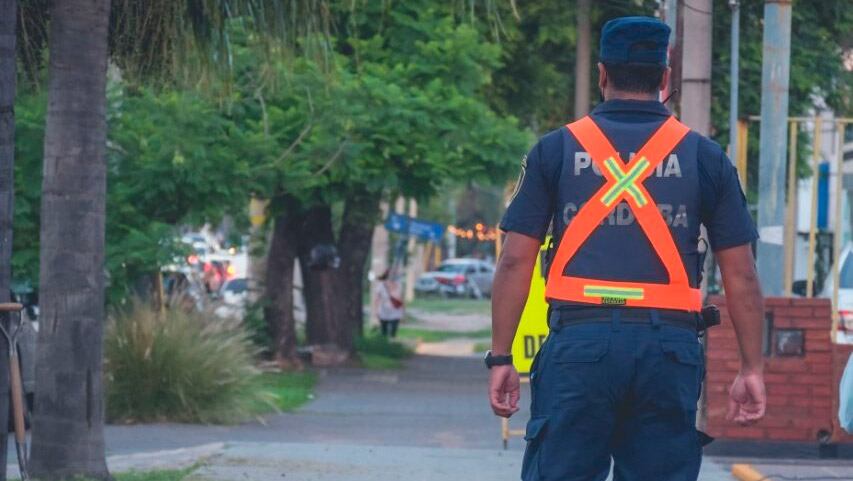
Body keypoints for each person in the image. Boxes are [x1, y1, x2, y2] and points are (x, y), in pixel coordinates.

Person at [485, 16, 766, 481]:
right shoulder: (705, 156)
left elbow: (515, 258)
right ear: (664, 78)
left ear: (601, 74)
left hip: (579, 346)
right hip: (668, 351)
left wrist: (501, 356)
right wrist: (750, 368)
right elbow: (742, 275)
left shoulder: (554, 151)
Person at [374, 269, 404, 338]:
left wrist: (403, 312)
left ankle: (392, 344)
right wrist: (376, 311)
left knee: (393, 332)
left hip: (396, 311)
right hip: (384, 311)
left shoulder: (398, 285)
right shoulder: (381, 285)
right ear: (387, 275)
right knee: (384, 332)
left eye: (394, 275)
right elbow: (376, 299)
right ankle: (385, 345)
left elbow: (402, 300)